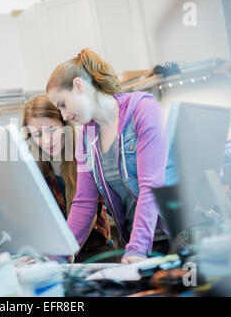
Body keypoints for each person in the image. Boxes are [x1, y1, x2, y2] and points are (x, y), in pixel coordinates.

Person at [46, 48, 175, 264]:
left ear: (79, 86)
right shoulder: (86, 138)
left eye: (63, 104)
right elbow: (84, 202)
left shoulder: (143, 110)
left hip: (171, 239)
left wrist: (136, 249)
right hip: (137, 246)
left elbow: (151, 186)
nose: (65, 115)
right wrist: (56, 257)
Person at [22, 94, 116, 262]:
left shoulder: (86, 148)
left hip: (94, 248)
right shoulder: (31, 162)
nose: (46, 141)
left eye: (51, 130)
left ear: (64, 124)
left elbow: (88, 212)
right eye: (37, 134)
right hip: (55, 252)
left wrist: (65, 255)